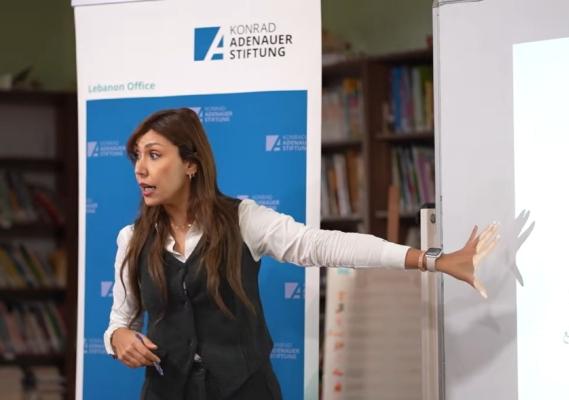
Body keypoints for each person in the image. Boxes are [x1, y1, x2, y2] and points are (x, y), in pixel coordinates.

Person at [104, 108, 499, 400]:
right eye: (136, 156)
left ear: (191, 164)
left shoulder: (243, 219)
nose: (140, 168)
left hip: (246, 391)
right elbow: (119, 322)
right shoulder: (132, 239)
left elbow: (325, 244)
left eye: (154, 155)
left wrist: (430, 259)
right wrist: (118, 337)